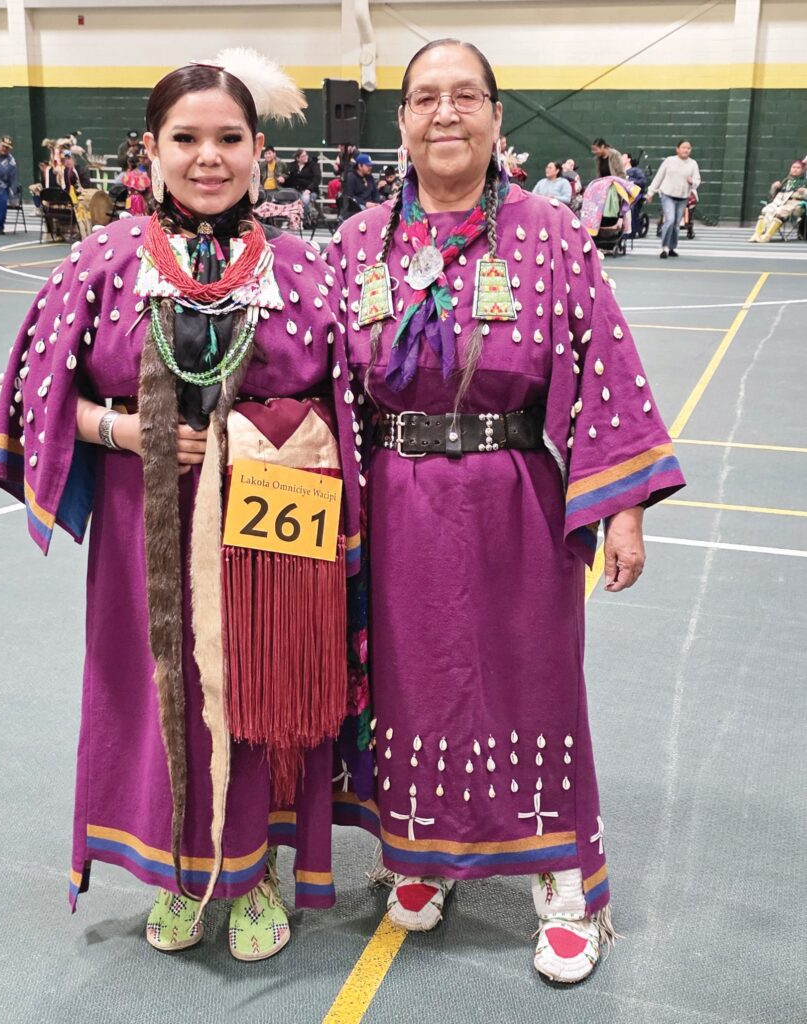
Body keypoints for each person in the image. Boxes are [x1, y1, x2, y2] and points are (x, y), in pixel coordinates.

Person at [0, 49, 362, 964]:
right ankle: (186, 871)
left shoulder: (304, 270)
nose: (208, 157)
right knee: (164, 692)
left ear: (259, 151)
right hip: (145, 524)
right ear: (150, 149)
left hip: (273, 524)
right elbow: (36, 394)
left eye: (229, 138)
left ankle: (258, 871)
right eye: (185, 138)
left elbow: (351, 399)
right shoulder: (100, 261)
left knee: (266, 690)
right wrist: (126, 431)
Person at [326, 38, 685, 985]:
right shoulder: (359, 241)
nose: (444, 114)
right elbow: (315, 382)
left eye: (465, 97)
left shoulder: (550, 232)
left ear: (494, 116)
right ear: (400, 120)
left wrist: (623, 510)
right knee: (408, 680)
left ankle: (562, 883)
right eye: (424, 99)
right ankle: (417, 854)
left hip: (512, 499)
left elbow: (604, 367)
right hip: (389, 501)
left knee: (532, 680)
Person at [646, 139, 701, 259]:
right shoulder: (669, 161)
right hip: (667, 195)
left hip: (683, 197)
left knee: (676, 224)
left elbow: (697, 181)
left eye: (688, 148)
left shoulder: (693, 164)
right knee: (669, 220)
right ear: (677, 149)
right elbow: (659, 177)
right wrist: (650, 192)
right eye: (683, 147)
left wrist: (692, 182)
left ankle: (672, 247)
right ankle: (664, 247)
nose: (686, 150)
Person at [749, 159, 807, 242]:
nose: (795, 169)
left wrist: (804, 192)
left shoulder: (805, 182)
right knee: (765, 210)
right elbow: (771, 197)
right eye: (793, 167)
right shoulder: (786, 181)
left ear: (803, 170)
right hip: (780, 203)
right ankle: (757, 234)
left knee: (781, 212)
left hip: (796, 205)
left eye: (798, 168)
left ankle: (767, 235)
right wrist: (774, 187)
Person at [342, 153, 379, 217]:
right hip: (356, 208)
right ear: (360, 166)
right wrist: (365, 204)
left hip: (370, 206)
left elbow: (375, 192)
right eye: (367, 166)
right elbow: (350, 196)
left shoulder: (370, 177)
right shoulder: (351, 177)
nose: (370, 167)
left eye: (370, 165)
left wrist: (376, 203)